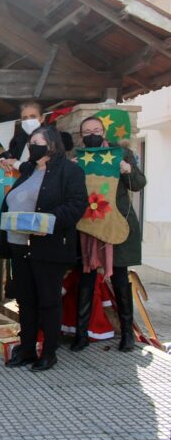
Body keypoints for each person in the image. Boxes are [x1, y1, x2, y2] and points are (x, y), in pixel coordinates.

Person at [0, 127, 88, 371]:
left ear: (52, 144)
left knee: (48, 301)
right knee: (26, 300)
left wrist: (46, 223)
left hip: (49, 247)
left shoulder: (70, 171)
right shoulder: (28, 170)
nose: (32, 146)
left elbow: (77, 205)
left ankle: (48, 352)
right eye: (31, 143)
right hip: (19, 245)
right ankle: (26, 349)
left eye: (37, 142)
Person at [71, 117, 146, 352]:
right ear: (81, 135)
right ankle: (81, 335)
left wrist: (127, 169)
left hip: (116, 223)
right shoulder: (78, 159)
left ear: (103, 132)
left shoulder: (121, 154)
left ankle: (127, 335)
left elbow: (139, 183)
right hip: (87, 226)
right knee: (86, 280)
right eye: (87, 131)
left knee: (120, 280)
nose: (92, 133)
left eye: (96, 130)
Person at [0, 101, 74, 171]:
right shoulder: (19, 140)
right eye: (25, 118)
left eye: (33, 116)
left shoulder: (57, 138)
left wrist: (16, 164)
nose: (28, 120)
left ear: (42, 118)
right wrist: (1, 162)